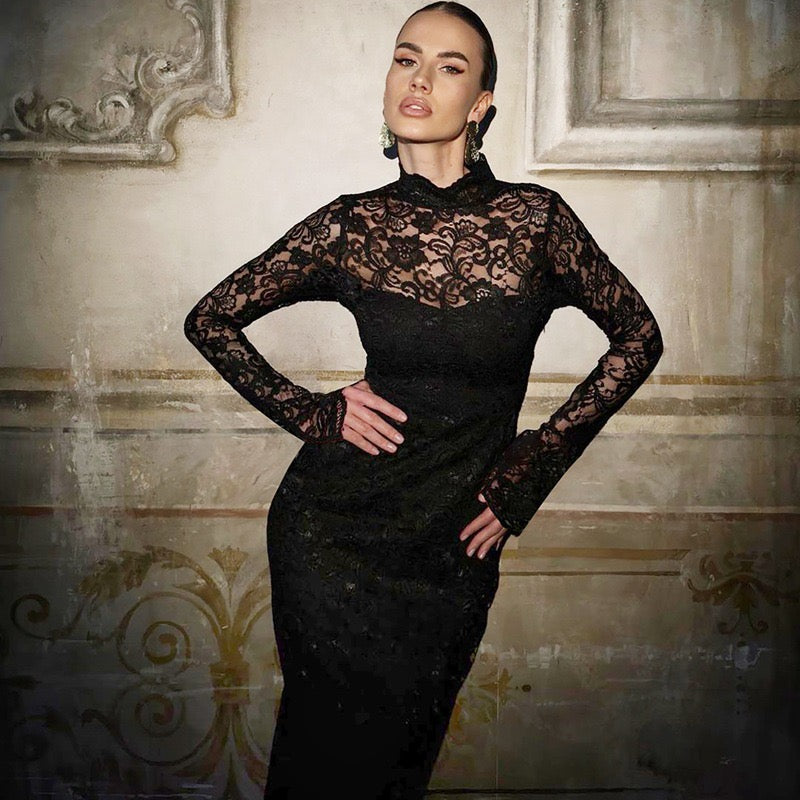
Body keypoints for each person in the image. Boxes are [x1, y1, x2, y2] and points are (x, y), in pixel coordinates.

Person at [183, 2, 665, 797]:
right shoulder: (352, 225)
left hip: (453, 541)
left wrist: (533, 466)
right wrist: (315, 412)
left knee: (397, 766)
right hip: (333, 532)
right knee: (320, 759)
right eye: (406, 59)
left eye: (449, 67)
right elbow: (210, 319)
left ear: (480, 104)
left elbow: (639, 337)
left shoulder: (536, 221)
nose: (419, 79)